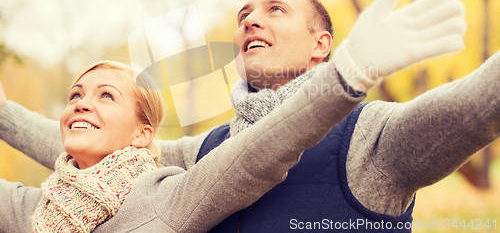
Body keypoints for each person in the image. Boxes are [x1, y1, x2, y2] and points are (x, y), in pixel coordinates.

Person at [1, 0, 499, 232]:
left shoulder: (373, 139)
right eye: (244, 16)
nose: (250, 22)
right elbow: (99, 142)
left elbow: (479, 104)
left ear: (321, 44)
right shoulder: (205, 152)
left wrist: (351, 72)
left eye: (275, 10)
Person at [0, 59, 367, 232]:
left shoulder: (164, 199)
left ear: (142, 135)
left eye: (106, 96)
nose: (81, 103)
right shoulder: (33, 209)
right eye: (75, 95)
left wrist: (348, 77)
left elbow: (254, 155)